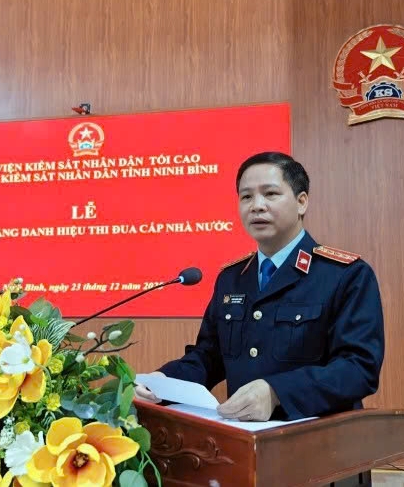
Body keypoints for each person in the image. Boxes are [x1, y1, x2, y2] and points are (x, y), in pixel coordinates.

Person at [135, 152, 384, 421]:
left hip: (320, 439)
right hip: (246, 439)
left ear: (301, 202)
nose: (257, 206)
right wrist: (164, 381)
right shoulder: (232, 278)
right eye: (246, 197)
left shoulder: (345, 275)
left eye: (270, 194)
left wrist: (276, 392)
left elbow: (359, 369)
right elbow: (209, 356)